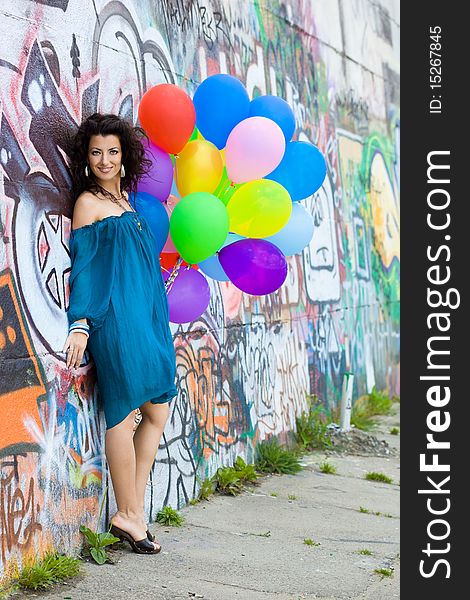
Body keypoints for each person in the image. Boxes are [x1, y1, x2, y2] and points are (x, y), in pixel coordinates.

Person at [64, 113, 178, 554]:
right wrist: (81, 325)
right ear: (87, 159)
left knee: (157, 411)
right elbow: (87, 270)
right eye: (96, 152)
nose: (105, 159)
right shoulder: (88, 204)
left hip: (147, 316)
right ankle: (130, 516)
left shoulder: (128, 203)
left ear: (124, 156)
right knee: (125, 412)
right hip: (116, 319)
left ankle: (132, 510)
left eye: (112, 151)